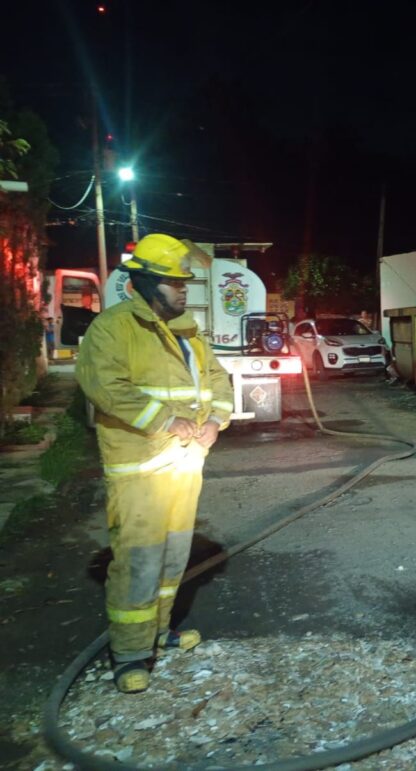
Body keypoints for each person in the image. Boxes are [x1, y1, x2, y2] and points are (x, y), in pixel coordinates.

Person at [76, 233, 234, 694]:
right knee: (139, 561)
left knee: (172, 558)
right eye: (173, 283)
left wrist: (216, 420)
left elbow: (217, 378)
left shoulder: (188, 331)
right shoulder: (114, 328)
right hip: (140, 470)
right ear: (145, 283)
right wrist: (167, 420)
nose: (183, 290)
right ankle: (129, 654)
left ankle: (159, 634)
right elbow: (105, 385)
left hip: (184, 464)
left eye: (183, 282)